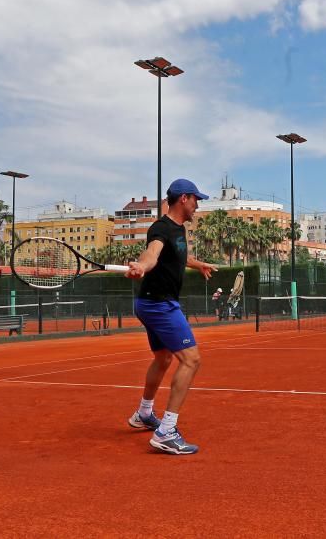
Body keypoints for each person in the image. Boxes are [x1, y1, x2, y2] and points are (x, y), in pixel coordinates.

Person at [125, 179, 216, 455]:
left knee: (164, 358)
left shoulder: (179, 230)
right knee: (191, 359)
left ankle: (143, 413)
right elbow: (153, 253)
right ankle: (166, 431)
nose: (197, 205)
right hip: (160, 305)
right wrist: (142, 265)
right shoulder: (161, 228)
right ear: (184, 199)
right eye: (195, 200)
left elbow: (175, 256)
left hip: (150, 303)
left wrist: (197, 264)